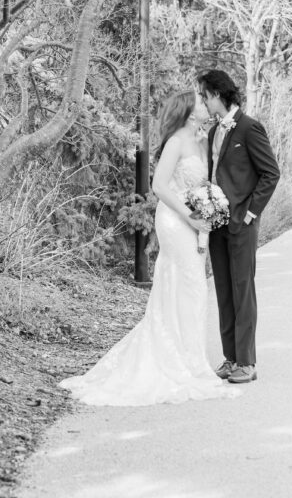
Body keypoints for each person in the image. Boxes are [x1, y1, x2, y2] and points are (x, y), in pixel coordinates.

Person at [59, 88, 240, 406]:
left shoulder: (201, 139)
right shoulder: (175, 142)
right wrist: (190, 215)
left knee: (188, 287)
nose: (204, 105)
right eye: (199, 102)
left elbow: (205, 182)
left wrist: (208, 210)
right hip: (174, 220)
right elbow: (159, 186)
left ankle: (187, 354)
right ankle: (188, 361)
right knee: (194, 285)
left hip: (196, 221)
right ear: (187, 110)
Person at [197, 69, 280, 385]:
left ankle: (247, 361)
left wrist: (250, 213)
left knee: (243, 291)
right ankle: (230, 358)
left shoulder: (249, 128)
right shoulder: (214, 130)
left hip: (241, 225)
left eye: (205, 95)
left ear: (217, 94)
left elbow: (271, 173)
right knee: (224, 291)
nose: (203, 101)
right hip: (216, 223)